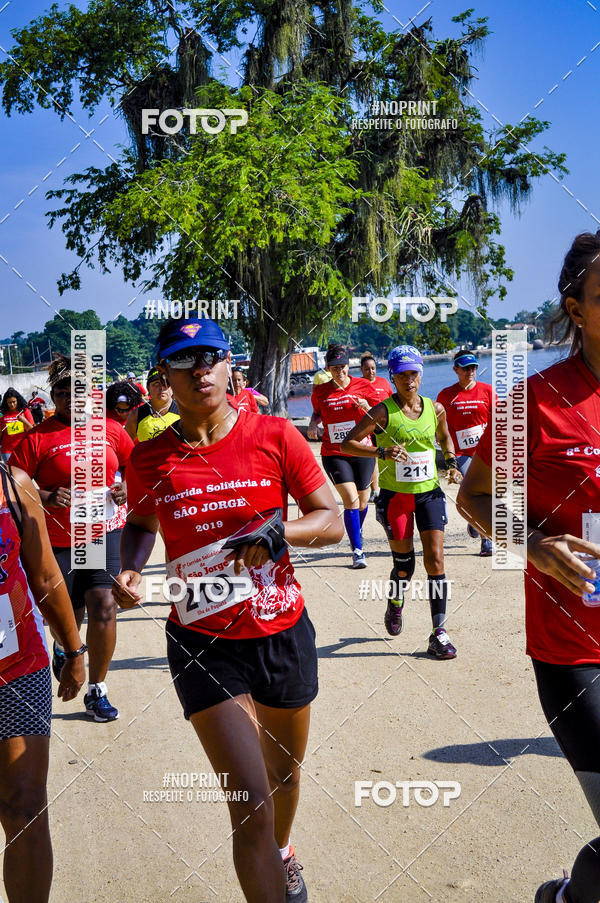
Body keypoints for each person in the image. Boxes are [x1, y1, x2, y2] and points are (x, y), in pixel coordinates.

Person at [113, 316, 343, 903]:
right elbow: (140, 523)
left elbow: (331, 519)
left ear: (228, 364)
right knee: (250, 804)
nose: (200, 370)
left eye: (210, 356)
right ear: (162, 375)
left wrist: (279, 532)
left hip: (281, 630)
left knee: (283, 779)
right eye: (184, 361)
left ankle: (283, 852)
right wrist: (132, 567)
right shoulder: (148, 458)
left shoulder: (274, 435)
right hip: (201, 640)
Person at [457, 231, 600, 903]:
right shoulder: (532, 402)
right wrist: (537, 543)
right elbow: (475, 496)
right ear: (575, 309)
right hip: (576, 650)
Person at [10, 356, 133, 722]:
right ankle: (66, 648)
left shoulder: (110, 430)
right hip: (56, 540)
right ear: (53, 397)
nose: (68, 399)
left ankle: (97, 690)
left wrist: (127, 486)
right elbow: (14, 487)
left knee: (104, 605)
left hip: (103, 533)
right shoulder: (36, 438)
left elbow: (135, 465)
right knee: (70, 613)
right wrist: (45, 496)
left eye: (75, 392)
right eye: (61, 393)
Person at [0, 461, 85, 903]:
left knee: (24, 806)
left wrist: (73, 651)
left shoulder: (12, 485)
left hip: (18, 667)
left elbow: (47, 576)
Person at [342, 345, 461, 658]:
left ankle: (439, 632)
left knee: (435, 559)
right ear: (392, 376)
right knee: (405, 566)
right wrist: (381, 452)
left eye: (413, 373)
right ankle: (396, 602)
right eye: (402, 374)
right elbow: (349, 443)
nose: (409, 379)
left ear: (420, 374)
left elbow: (445, 438)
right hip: (397, 498)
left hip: (430, 493)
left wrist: (450, 464)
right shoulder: (382, 412)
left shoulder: (434, 408)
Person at [308, 343, 378, 568]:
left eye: (343, 366)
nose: (340, 371)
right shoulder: (320, 391)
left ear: (349, 366)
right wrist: (312, 423)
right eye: (335, 367)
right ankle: (357, 550)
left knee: (363, 499)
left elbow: (378, 415)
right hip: (334, 452)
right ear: (328, 368)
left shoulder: (363, 386)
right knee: (350, 499)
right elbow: (318, 413)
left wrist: (367, 406)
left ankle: (356, 530)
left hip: (361, 449)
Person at [437, 350, 496, 556]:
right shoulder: (446, 395)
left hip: (486, 451)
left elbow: (499, 420)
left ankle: (475, 522)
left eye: (473, 368)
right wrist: (448, 455)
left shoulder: (487, 391)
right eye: (465, 368)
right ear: (456, 369)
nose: (470, 371)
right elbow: (440, 426)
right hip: (461, 452)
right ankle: (485, 540)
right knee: (479, 492)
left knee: (490, 493)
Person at [358, 351, 392, 500]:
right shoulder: (357, 385)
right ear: (361, 370)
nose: (370, 372)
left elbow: (392, 401)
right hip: (368, 428)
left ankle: (389, 487)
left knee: (389, 456)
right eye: (367, 369)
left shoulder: (383, 382)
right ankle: (375, 490)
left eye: (373, 368)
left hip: (386, 427)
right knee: (374, 457)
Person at [125, 367, 180, 442]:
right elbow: (125, 448)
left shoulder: (183, 413)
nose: (162, 388)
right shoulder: (136, 415)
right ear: (148, 388)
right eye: (156, 384)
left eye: (166, 383)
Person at [0, 389, 34, 462]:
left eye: (14, 402)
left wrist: (24, 421)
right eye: (9, 402)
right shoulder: (3, 414)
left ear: (18, 400)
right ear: (6, 403)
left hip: (23, 449)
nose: (12, 405)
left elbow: (32, 430)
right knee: (11, 473)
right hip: (7, 450)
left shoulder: (25, 411)